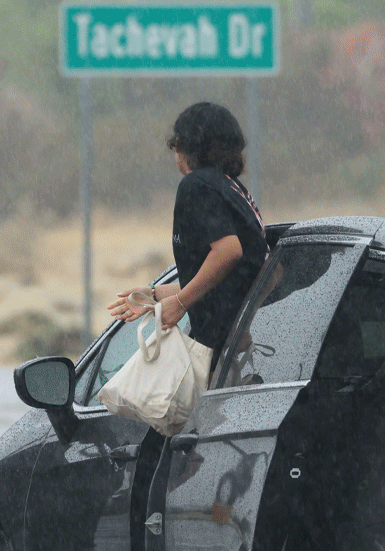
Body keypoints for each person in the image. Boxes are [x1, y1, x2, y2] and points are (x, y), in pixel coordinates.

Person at [108, 102, 270, 369]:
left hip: (218, 351)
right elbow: (224, 278)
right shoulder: (232, 188)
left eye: (176, 145)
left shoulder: (197, 185)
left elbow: (228, 252)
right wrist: (155, 294)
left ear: (185, 146)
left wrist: (180, 304)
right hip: (234, 349)